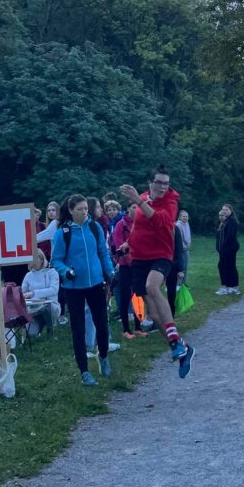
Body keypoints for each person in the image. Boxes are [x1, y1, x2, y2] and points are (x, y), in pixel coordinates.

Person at [119, 165, 195, 378]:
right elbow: (138, 226)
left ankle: (175, 339)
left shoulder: (170, 202)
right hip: (139, 258)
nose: (163, 187)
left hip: (161, 255)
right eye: (159, 183)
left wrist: (139, 201)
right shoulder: (143, 198)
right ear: (150, 183)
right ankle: (179, 347)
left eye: (166, 183)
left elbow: (160, 221)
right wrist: (127, 243)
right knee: (152, 314)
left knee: (152, 286)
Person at [51, 194, 114, 386]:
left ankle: (103, 355)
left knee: (101, 323)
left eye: (86, 208)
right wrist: (66, 271)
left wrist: (110, 271)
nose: (84, 212)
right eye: (80, 209)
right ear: (71, 211)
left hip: (95, 283)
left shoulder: (94, 227)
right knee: (78, 329)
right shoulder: (63, 233)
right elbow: (56, 260)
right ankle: (84, 371)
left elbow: (103, 252)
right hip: (73, 287)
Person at [111, 203, 148, 339]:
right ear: (127, 209)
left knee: (138, 296)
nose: (136, 209)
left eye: (138, 207)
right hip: (126, 266)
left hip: (139, 265)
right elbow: (119, 247)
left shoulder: (140, 224)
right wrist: (132, 261)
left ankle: (138, 327)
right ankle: (126, 329)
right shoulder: (121, 225)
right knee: (125, 297)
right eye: (133, 207)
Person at [37, 202, 65, 323]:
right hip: (61, 259)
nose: (51, 212)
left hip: (58, 260)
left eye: (53, 210)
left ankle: (60, 314)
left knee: (59, 288)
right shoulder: (57, 223)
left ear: (58, 211)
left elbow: (41, 236)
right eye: (49, 210)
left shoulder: (55, 223)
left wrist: (27, 240)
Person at [22, 249, 60, 337]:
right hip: (34, 309)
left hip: (51, 306)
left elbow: (53, 290)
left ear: (42, 259)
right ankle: (38, 326)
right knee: (31, 334)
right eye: (31, 259)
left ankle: (51, 327)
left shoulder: (52, 272)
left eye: (35, 259)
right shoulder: (28, 275)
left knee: (48, 307)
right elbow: (23, 293)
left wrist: (33, 293)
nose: (32, 262)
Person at [216, 203, 240, 295]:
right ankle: (230, 286)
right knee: (226, 266)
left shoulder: (232, 221)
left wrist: (223, 247)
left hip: (229, 248)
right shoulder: (225, 221)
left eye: (226, 210)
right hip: (225, 249)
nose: (225, 211)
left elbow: (230, 236)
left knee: (227, 266)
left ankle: (229, 287)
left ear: (230, 211)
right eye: (223, 209)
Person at [175, 210, 191, 283]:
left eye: (187, 216)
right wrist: (183, 247)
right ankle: (178, 284)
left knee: (185, 267)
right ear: (180, 217)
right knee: (181, 267)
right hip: (180, 250)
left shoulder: (187, 224)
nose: (185, 218)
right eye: (184, 216)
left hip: (186, 249)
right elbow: (179, 239)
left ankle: (183, 284)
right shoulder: (178, 225)